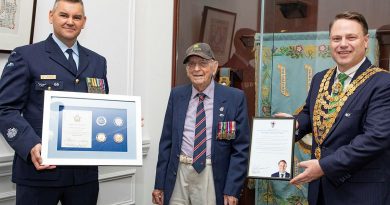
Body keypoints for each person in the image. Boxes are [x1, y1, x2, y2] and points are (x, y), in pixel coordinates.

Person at [0, 0, 109, 204]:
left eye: (76, 17)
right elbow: (5, 109)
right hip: (39, 172)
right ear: (51, 16)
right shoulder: (26, 55)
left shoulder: (97, 62)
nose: (70, 21)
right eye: (63, 15)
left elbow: (100, 109)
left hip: (83, 176)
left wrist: (122, 123)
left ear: (84, 22)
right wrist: (30, 144)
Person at [276, 11, 390, 204]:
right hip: (320, 191)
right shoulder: (320, 78)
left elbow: (375, 138)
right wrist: (295, 125)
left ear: (365, 41)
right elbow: (309, 114)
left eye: (351, 37)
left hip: (361, 193)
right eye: (336, 38)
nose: (343, 44)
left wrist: (324, 166)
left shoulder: (383, 83)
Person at [152, 43, 250, 205]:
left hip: (211, 174)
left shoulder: (234, 98)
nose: (196, 69)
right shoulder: (177, 95)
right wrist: (159, 184)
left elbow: (240, 149)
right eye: (191, 64)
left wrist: (232, 188)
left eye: (203, 63)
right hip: (179, 173)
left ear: (214, 67)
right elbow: (166, 143)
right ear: (187, 69)